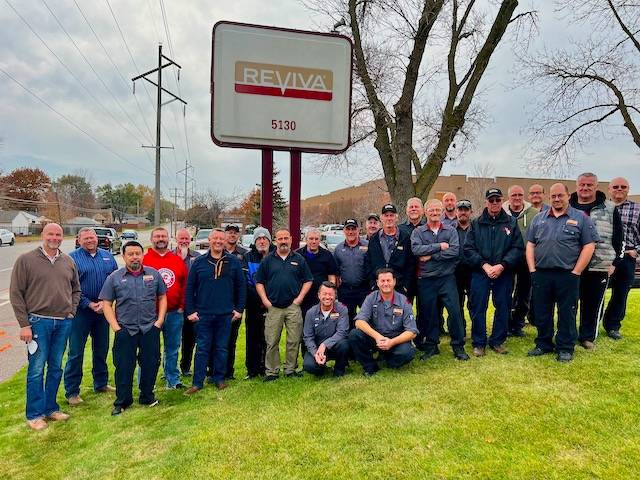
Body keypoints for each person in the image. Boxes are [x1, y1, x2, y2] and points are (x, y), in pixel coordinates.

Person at [10, 223, 81, 430]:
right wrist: (24, 325)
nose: (55, 237)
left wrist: (72, 311)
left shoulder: (68, 261)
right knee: (36, 369)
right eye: (51, 233)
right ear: (43, 235)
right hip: (37, 322)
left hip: (63, 322)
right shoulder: (26, 260)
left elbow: (76, 290)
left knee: (56, 367)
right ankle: (34, 414)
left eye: (58, 234)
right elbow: (16, 293)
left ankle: (51, 408)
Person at [527, 183, 598, 362]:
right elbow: (530, 245)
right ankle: (543, 343)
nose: (557, 199)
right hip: (542, 274)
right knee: (542, 311)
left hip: (568, 274)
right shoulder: (539, 218)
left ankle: (565, 347)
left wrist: (576, 271)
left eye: (560, 195)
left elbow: (589, 245)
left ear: (568, 196)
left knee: (567, 312)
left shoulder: (581, 218)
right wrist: (532, 269)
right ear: (549, 198)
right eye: (553, 196)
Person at [99, 241, 167, 415]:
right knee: (123, 366)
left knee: (150, 364)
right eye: (130, 254)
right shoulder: (114, 277)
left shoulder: (154, 275)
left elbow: (162, 297)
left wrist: (158, 322)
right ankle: (123, 401)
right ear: (124, 257)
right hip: (125, 330)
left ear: (142, 255)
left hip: (149, 328)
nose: (134, 257)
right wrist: (116, 328)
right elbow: (106, 303)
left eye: (138, 253)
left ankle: (147, 396)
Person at [184, 230, 246, 394]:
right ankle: (198, 382)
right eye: (215, 238)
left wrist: (239, 309)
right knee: (202, 348)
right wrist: (190, 311)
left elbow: (241, 286)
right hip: (203, 314)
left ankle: (219, 378)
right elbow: (190, 288)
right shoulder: (199, 262)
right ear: (209, 240)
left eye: (221, 239)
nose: (218, 241)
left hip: (225, 314)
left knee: (221, 348)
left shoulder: (233, 262)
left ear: (225, 241)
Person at [464, 188, 523, 357]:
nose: (495, 203)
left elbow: (517, 248)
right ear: (486, 202)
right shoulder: (476, 223)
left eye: (497, 199)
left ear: (502, 201)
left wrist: (502, 265)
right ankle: (479, 342)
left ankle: (498, 341)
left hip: (503, 273)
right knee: (478, 307)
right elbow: (468, 249)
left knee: (503, 306)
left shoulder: (511, 222)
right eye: (491, 200)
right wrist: (484, 265)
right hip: (480, 272)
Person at [64, 227, 118, 406]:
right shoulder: (72, 258)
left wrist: (105, 302)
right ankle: (72, 391)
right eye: (85, 238)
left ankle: (101, 383)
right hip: (81, 312)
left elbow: (115, 281)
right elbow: (70, 287)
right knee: (76, 352)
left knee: (101, 349)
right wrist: (88, 304)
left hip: (103, 311)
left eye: (92, 237)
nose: (89, 240)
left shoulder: (108, 257)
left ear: (97, 238)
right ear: (79, 240)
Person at [411, 199, 470, 361]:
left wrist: (431, 255)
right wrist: (439, 246)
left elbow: (454, 251)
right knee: (429, 313)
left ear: (442, 211)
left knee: (455, 312)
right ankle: (431, 346)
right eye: (431, 210)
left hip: (447, 278)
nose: (435, 213)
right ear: (425, 212)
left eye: (438, 210)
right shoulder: (418, 232)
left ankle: (458, 346)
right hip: (426, 279)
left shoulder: (450, 231)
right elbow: (416, 250)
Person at [569, 173, 623, 349]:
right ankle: (568, 334)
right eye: (582, 184)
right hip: (570, 264)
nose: (585, 188)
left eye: (589, 185)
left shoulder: (609, 208)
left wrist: (614, 263)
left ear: (596, 186)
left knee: (593, 304)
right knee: (569, 303)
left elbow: (619, 238)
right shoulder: (567, 206)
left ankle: (587, 337)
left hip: (599, 265)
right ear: (577, 186)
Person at [256, 228, 313, 381]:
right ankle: (272, 372)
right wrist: (265, 300)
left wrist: (299, 298)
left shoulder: (299, 259)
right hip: (273, 306)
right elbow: (259, 282)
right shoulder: (268, 260)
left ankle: (290, 369)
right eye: (280, 239)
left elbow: (308, 280)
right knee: (272, 340)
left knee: (293, 339)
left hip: (292, 306)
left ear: (291, 239)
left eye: (285, 238)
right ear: (275, 241)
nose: (283, 242)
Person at [348, 268, 417, 375]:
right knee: (354, 335)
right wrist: (377, 337)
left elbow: (412, 332)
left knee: (407, 353)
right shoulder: (371, 298)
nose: (385, 284)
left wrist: (391, 342)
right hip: (376, 338)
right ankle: (370, 366)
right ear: (377, 283)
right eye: (382, 281)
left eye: (388, 280)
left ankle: (387, 359)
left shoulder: (403, 300)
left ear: (394, 281)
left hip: (395, 339)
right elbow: (359, 322)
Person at [143, 227, 188, 389]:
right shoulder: (144, 259)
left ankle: (173, 379)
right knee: (149, 350)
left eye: (163, 236)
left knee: (173, 348)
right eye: (157, 236)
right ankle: (147, 382)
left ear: (169, 239)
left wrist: (182, 306)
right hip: (150, 314)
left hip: (174, 312)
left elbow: (184, 284)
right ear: (151, 239)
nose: (160, 239)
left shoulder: (176, 260)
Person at [603, 177, 639, 340]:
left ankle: (613, 325)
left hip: (626, 258)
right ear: (609, 189)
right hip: (604, 257)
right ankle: (592, 323)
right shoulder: (601, 208)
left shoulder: (637, 209)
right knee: (597, 292)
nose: (619, 189)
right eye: (615, 187)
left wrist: (636, 251)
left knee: (621, 293)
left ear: (628, 189)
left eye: (623, 186)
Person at [502, 185, 539, 337]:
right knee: (505, 292)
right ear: (509, 196)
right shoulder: (501, 214)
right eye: (514, 195)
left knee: (524, 293)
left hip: (527, 258)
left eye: (520, 195)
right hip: (507, 258)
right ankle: (505, 324)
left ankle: (517, 324)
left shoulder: (534, 214)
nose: (517, 198)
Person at [242, 227, 274, 379]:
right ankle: (252, 369)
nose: (262, 241)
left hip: (273, 304)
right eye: (259, 239)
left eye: (265, 239)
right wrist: (258, 298)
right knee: (252, 337)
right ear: (255, 242)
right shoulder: (247, 257)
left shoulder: (275, 256)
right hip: (253, 305)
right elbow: (246, 282)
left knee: (269, 337)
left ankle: (268, 367)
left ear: (269, 240)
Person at [366, 204, 416, 297]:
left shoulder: (405, 238)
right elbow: (368, 262)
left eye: (391, 215)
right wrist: (372, 284)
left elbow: (411, 264)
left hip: (400, 288)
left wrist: (406, 286)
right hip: (379, 287)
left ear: (396, 217)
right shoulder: (374, 239)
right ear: (381, 218)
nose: (389, 218)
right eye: (386, 215)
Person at [302, 282, 350, 377]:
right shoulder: (310, 313)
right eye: (324, 294)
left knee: (344, 345)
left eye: (330, 294)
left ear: (335, 296)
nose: (327, 297)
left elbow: (342, 332)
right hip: (317, 348)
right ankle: (321, 367)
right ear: (319, 295)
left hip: (335, 346)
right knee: (309, 366)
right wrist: (316, 353)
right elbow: (308, 336)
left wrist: (325, 345)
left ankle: (339, 370)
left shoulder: (342, 309)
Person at [221, 224, 249, 380]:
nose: (232, 235)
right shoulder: (218, 252)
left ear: (238, 236)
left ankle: (228, 372)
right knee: (217, 339)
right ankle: (214, 370)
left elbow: (244, 281)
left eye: (235, 233)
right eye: (229, 232)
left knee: (231, 339)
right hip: (219, 302)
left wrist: (240, 306)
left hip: (236, 302)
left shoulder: (244, 254)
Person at [174, 228, 201, 377]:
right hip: (173, 306)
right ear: (176, 239)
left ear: (190, 241)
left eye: (186, 239)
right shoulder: (170, 256)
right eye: (181, 239)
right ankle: (169, 369)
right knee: (172, 339)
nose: (184, 242)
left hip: (191, 305)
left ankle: (185, 367)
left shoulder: (196, 258)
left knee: (190, 338)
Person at [334, 218, 369, 327]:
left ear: (358, 230)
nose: (350, 232)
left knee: (367, 318)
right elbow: (335, 270)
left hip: (364, 289)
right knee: (347, 319)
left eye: (353, 229)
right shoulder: (338, 249)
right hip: (345, 290)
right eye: (348, 229)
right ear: (344, 231)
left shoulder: (367, 246)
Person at [296, 228, 338, 318]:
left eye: (316, 239)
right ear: (305, 240)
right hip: (302, 297)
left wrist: (330, 294)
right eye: (311, 239)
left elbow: (332, 277)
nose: (314, 241)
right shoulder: (297, 255)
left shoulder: (327, 255)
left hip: (321, 298)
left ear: (320, 240)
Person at [454, 200, 473, 330]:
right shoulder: (450, 230)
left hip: (474, 272)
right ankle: (459, 330)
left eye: (466, 210)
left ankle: (476, 331)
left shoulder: (476, 229)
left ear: (470, 212)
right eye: (460, 210)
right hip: (455, 273)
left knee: (474, 304)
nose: (463, 213)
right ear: (456, 212)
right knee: (456, 304)